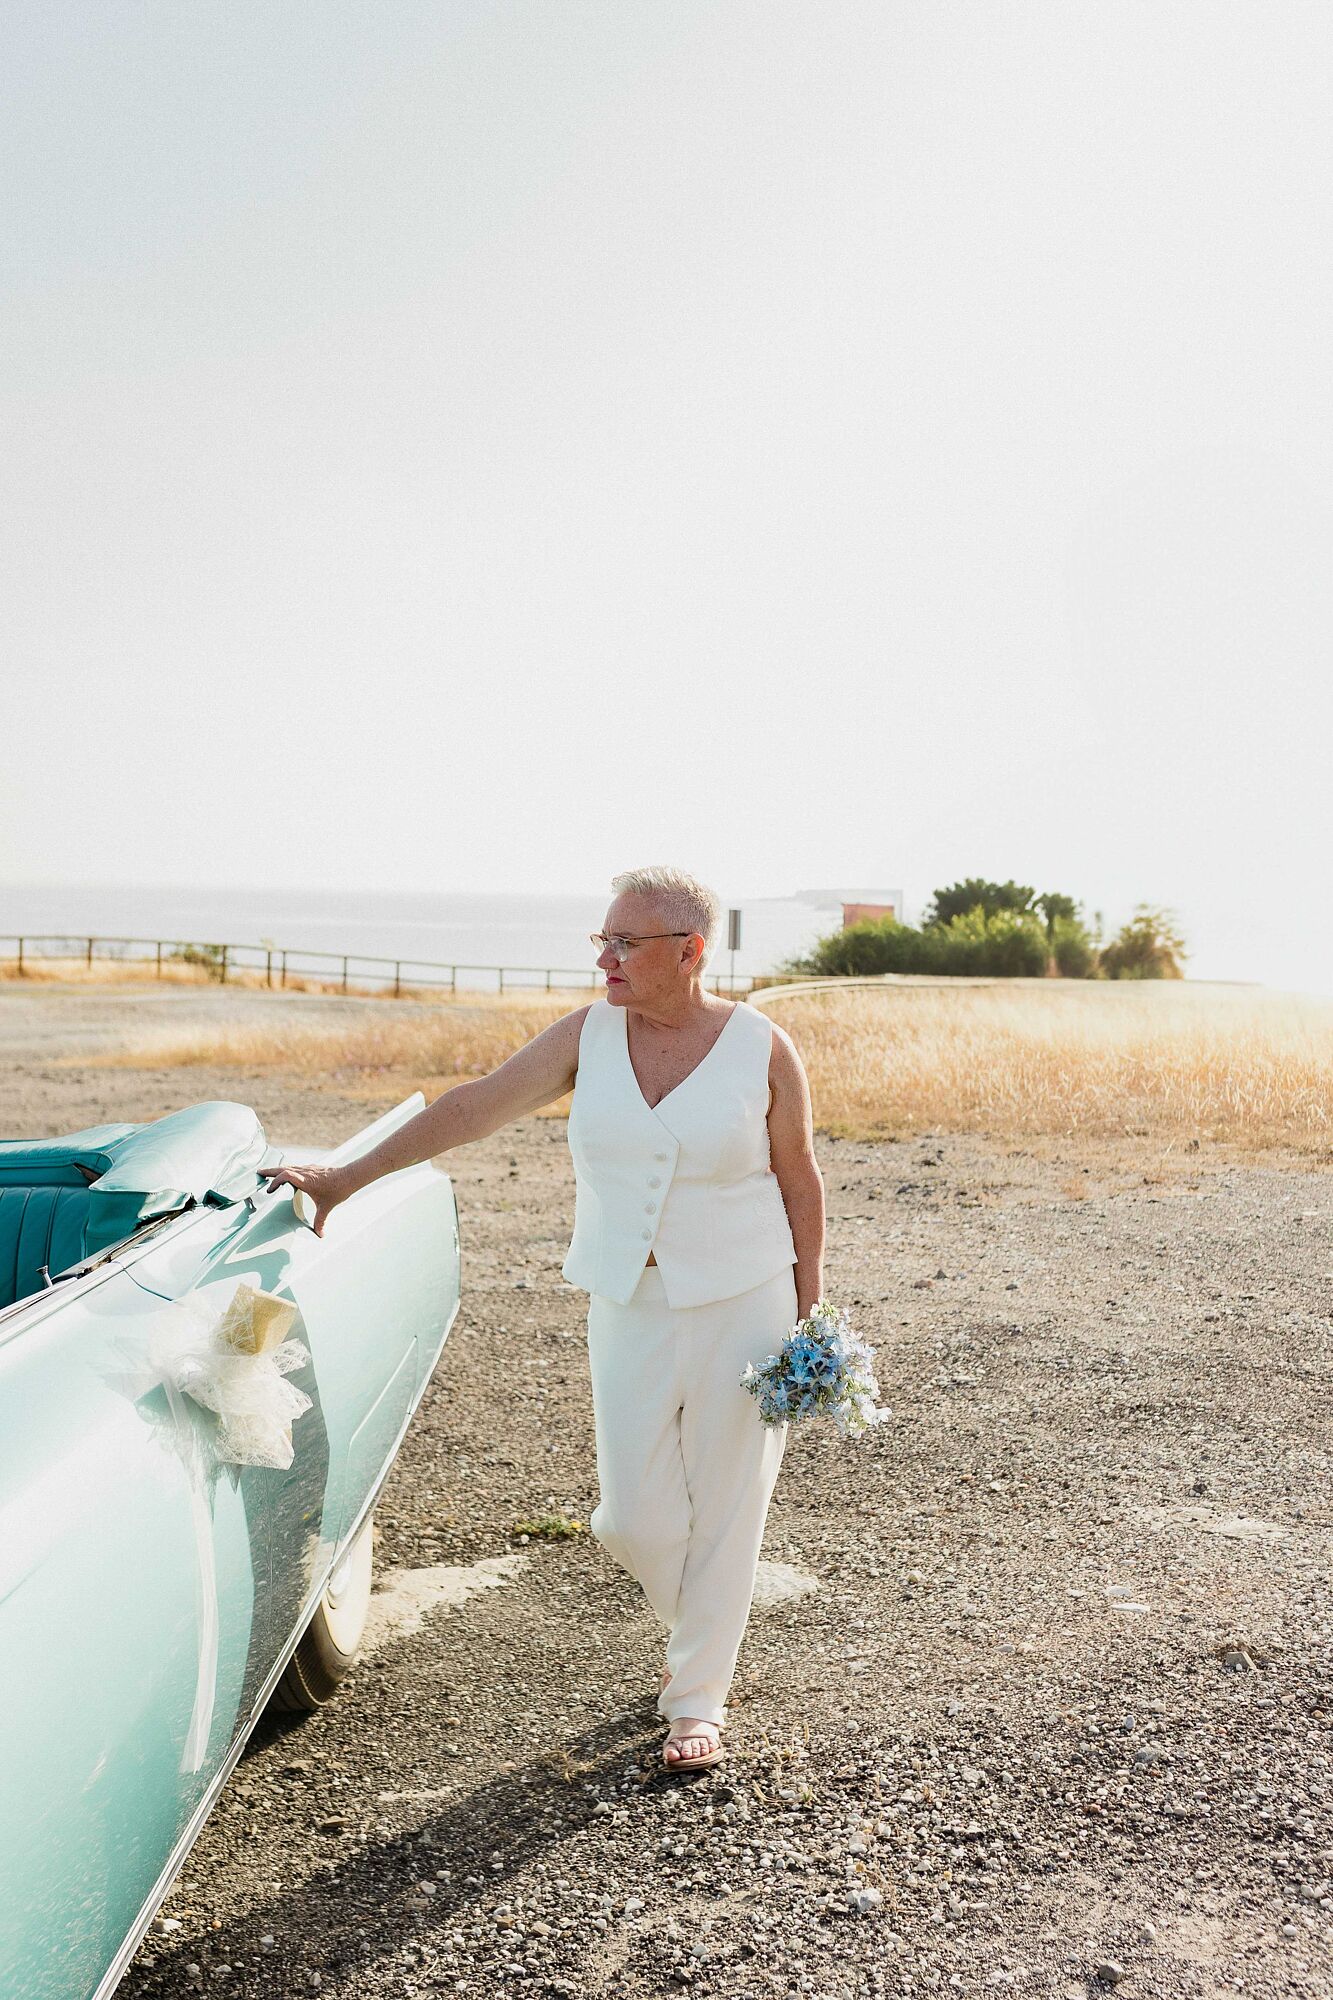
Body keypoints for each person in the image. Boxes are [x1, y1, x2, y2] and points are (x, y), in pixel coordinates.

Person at [258, 864, 825, 1772]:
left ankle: (696, 1701)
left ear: (689, 951)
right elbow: (471, 1108)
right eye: (600, 939)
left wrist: (809, 1309)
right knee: (632, 1515)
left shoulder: (762, 1046)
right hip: (625, 1294)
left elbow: (798, 1174)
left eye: (624, 942)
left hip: (744, 1295)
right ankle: (708, 1632)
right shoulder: (586, 1036)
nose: (604, 957)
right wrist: (342, 1178)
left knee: (729, 1502)